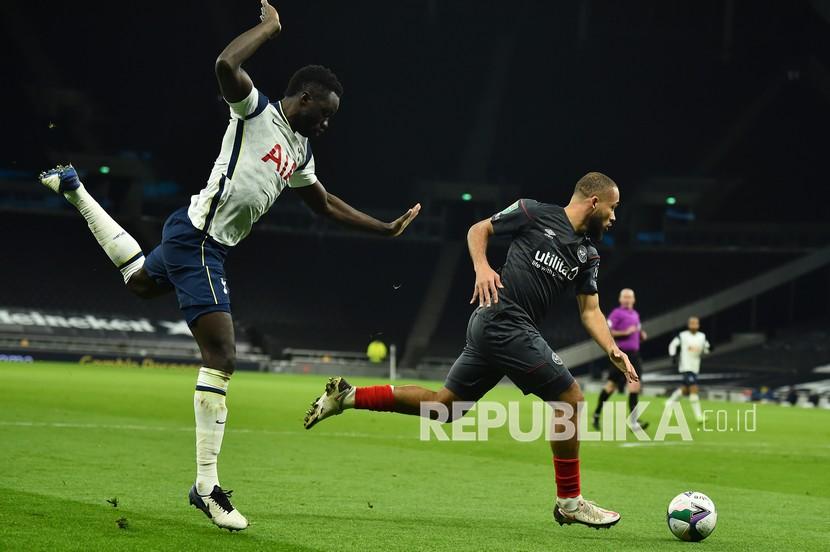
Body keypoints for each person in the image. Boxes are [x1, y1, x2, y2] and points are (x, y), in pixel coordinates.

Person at [37, 0, 420, 531]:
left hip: (193, 231)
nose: (327, 123)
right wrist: (268, 28)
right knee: (222, 354)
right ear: (302, 98)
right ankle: (206, 486)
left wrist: (382, 228)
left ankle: (76, 190)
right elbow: (224, 66)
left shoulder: (302, 151)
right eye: (323, 112)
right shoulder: (257, 110)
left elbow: (324, 203)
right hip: (202, 239)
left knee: (140, 283)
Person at [304, 172, 637, 529]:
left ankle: (348, 396)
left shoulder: (588, 254)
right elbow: (479, 229)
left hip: (499, 328)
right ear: (594, 202)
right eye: (613, 208)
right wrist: (482, 267)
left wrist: (613, 348)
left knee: (444, 407)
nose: (615, 217)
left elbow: (590, 310)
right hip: (503, 318)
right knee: (571, 400)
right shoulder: (533, 212)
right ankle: (570, 501)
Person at [592, 288, 648, 431]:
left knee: (635, 386)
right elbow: (607, 330)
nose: (628, 299)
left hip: (635, 355)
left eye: (630, 297)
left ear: (634, 300)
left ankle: (633, 421)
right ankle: (597, 414)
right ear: (621, 300)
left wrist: (641, 335)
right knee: (611, 387)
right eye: (625, 297)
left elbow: (637, 331)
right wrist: (625, 332)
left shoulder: (635, 314)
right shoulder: (616, 314)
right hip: (620, 356)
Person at [665, 316, 710, 422]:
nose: (694, 325)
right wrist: (673, 356)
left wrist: (709, 349)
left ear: (698, 325)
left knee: (685, 389)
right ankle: (699, 416)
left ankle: (670, 402)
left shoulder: (702, 336)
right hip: (686, 366)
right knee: (694, 388)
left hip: (695, 367)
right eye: (692, 323)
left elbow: (706, 348)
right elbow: (672, 345)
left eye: (696, 323)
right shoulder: (682, 335)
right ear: (688, 325)